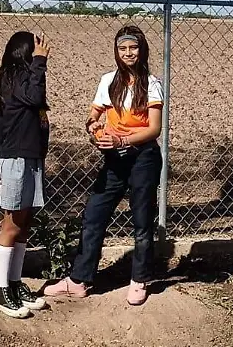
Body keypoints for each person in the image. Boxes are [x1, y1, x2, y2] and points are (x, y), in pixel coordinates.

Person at [45, 26, 165, 306]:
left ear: (142, 50)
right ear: (116, 51)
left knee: (142, 220)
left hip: (143, 158)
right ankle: (79, 280)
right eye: (122, 48)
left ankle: (139, 279)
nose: (128, 53)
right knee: (94, 215)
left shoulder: (151, 84)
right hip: (114, 159)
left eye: (133, 48)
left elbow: (154, 129)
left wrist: (122, 139)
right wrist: (94, 129)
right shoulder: (108, 81)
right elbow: (93, 116)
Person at [0, 31, 51, 318]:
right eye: (35, 51)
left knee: (24, 223)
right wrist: (40, 63)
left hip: (30, 158)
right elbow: (34, 95)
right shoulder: (13, 80)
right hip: (14, 159)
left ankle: (14, 283)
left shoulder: (26, 81)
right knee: (12, 224)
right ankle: (0, 290)